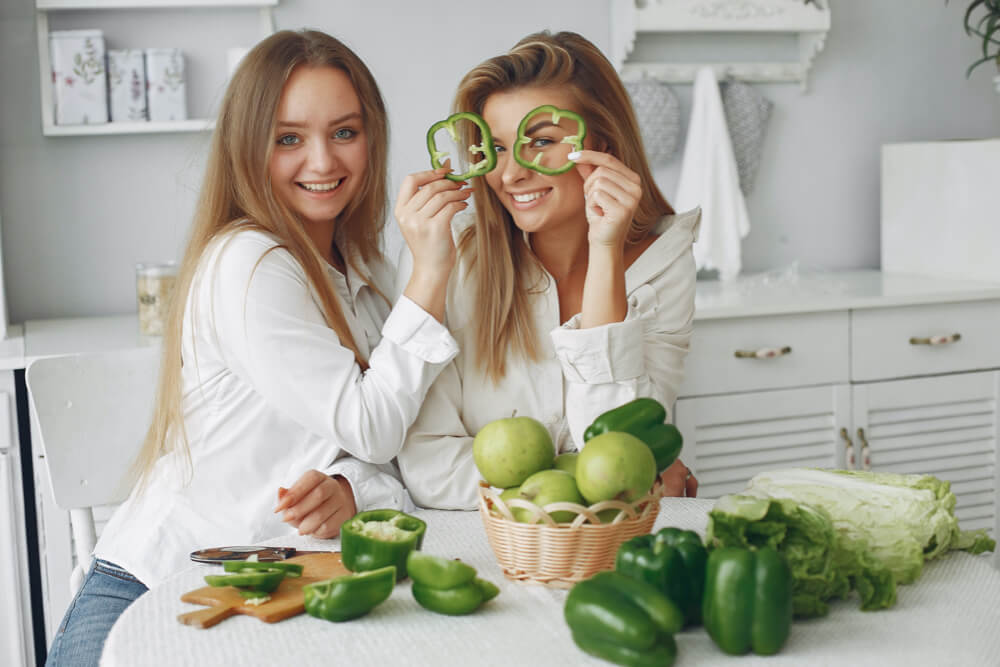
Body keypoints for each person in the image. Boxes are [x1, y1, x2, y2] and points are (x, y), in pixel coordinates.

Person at [46, 29, 467, 666]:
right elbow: (372, 426)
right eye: (289, 138)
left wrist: (349, 487)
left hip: (263, 587)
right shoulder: (251, 262)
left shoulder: (359, 278)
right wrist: (431, 273)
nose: (323, 162)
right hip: (154, 589)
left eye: (345, 132)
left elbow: (387, 455)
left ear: (372, 137)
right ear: (249, 147)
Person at [396, 31, 700, 510]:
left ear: (601, 142)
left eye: (540, 141)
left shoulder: (663, 264)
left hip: (605, 551)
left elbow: (617, 441)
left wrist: (606, 250)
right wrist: (574, 488)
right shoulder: (450, 256)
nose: (511, 173)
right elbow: (428, 467)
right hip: (481, 545)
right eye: (495, 148)